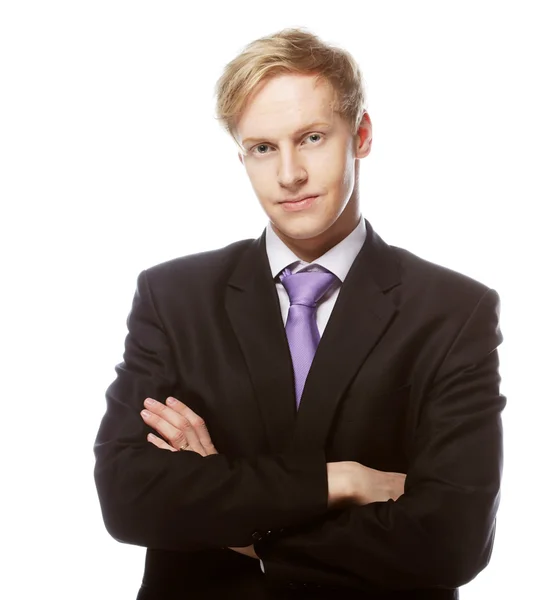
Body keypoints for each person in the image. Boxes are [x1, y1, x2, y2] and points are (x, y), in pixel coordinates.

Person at [93, 27, 506, 600]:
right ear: (242, 155)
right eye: (263, 148)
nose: (289, 174)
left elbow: (450, 539)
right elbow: (127, 497)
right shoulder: (174, 296)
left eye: (311, 137)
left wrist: (225, 506)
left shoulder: (454, 311)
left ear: (359, 134)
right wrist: (344, 482)